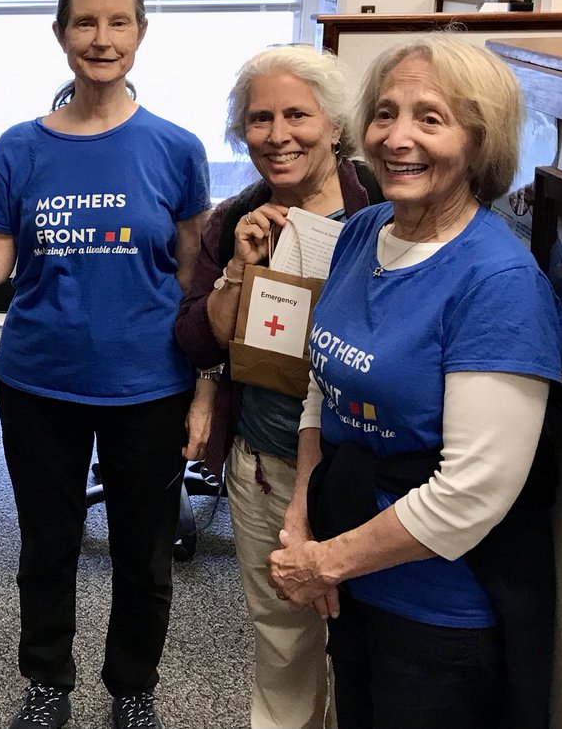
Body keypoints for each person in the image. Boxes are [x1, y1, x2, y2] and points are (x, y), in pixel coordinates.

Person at [266, 35, 562, 729]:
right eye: (385, 113)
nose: (398, 137)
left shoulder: (499, 284)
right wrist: (302, 513)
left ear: (480, 142)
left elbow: (473, 492)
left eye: (431, 118)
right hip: (351, 577)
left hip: (439, 609)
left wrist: (324, 563)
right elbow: (322, 383)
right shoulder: (361, 230)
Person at [0, 0, 210, 729]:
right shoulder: (20, 147)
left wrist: (205, 385)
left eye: (118, 23)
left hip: (150, 380)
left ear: (140, 32)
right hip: (40, 378)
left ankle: (133, 688)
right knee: (46, 545)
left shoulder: (175, 148)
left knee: (143, 551)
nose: (101, 40)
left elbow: (195, 274)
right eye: (84, 23)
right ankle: (48, 682)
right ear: (60, 33)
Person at [174, 45, 382, 728]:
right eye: (259, 118)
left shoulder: (381, 211)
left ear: (335, 125)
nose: (277, 134)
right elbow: (200, 340)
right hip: (263, 463)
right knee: (284, 643)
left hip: (361, 474)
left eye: (297, 114)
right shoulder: (236, 217)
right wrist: (240, 266)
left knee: (356, 648)